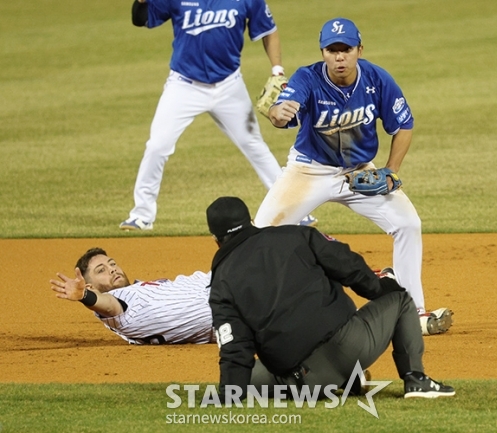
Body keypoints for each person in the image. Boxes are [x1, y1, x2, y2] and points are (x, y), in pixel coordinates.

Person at [254, 17, 451, 334]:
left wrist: (390, 170)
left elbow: (403, 126)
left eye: (345, 49)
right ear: (323, 53)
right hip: (309, 171)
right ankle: (241, 312)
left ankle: (413, 312)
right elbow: (282, 110)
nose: (339, 57)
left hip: (358, 173)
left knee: (408, 224)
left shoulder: (376, 79)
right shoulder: (308, 78)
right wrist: (279, 114)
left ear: (359, 49)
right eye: (332, 50)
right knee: (259, 235)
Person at [206, 196, 455, 400]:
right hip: (353, 346)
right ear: (251, 220)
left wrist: (230, 394)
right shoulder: (294, 235)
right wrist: (379, 288)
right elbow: (348, 265)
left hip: (304, 380)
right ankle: (415, 380)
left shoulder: (220, 283)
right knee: (400, 299)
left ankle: (346, 380)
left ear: (215, 240)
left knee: (245, 376)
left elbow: (234, 348)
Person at [119, 0, 316, 231]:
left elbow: (269, 31)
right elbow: (140, 19)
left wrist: (277, 70)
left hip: (229, 86)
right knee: (157, 146)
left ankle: (293, 210)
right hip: (184, 86)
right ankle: (141, 215)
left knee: (254, 145)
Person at [49, 248, 215, 345]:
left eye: (112, 264)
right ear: (90, 286)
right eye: (101, 270)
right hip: (223, 301)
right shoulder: (119, 304)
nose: (112, 269)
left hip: (218, 282)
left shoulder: (138, 288)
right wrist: (85, 296)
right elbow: (107, 305)